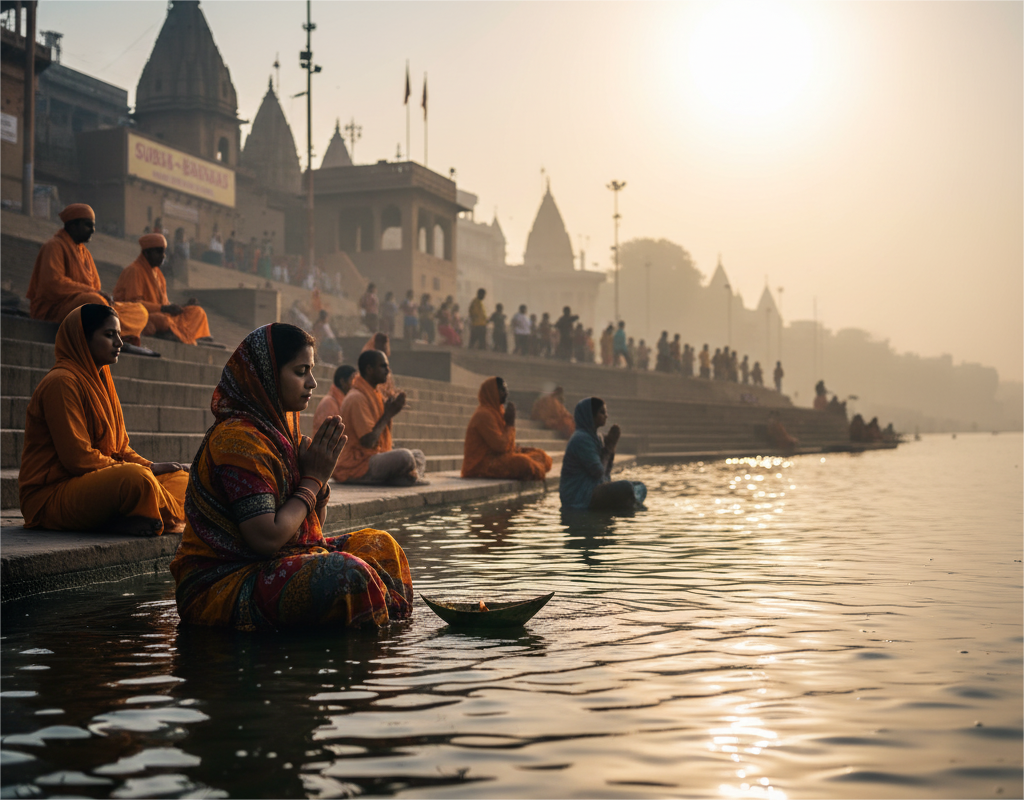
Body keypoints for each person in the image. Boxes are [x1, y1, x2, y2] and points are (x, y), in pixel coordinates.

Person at [169, 323, 413, 631]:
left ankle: (390, 635)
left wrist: (318, 484)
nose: (312, 382)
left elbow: (313, 528)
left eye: (311, 370)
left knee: (381, 545)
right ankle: (362, 650)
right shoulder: (237, 439)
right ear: (266, 377)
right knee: (348, 575)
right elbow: (266, 538)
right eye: (300, 372)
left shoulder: (280, 433)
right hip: (222, 583)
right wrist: (313, 480)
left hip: (273, 563)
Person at [18, 304, 187, 536]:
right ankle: (169, 515)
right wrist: (140, 470)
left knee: (183, 478)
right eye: (109, 335)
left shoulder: (101, 379)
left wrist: (151, 465)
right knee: (136, 479)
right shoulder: (61, 382)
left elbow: (119, 448)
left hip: (96, 484)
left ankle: (141, 515)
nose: (119, 343)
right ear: (82, 339)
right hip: (51, 496)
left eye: (119, 335)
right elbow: (78, 460)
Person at [27, 204, 149, 347]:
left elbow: (95, 286)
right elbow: (53, 284)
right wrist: (93, 293)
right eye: (88, 225)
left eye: (93, 226)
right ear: (73, 225)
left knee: (140, 311)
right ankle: (114, 335)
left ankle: (115, 333)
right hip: (56, 308)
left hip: (85, 303)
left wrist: (101, 296)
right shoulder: (54, 246)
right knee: (95, 302)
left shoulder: (85, 254)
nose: (93, 230)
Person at [333, 350, 426, 485]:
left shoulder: (374, 394)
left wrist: (389, 412)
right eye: (383, 366)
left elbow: (381, 440)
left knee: (418, 455)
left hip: (373, 457)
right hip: (357, 464)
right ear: (369, 369)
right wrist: (388, 414)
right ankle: (405, 478)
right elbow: (368, 442)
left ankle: (401, 478)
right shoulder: (356, 398)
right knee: (405, 457)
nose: (388, 371)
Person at [114, 234, 212, 345]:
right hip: (141, 316)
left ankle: (176, 333)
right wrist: (164, 309)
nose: (163, 256)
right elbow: (134, 304)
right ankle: (179, 334)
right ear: (146, 253)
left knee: (197, 312)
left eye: (164, 252)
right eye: (159, 252)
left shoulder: (159, 275)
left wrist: (183, 306)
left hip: (162, 314)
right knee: (162, 321)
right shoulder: (134, 270)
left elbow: (164, 303)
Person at [560, 397, 646, 512]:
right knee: (626, 487)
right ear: (590, 415)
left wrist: (611, 449)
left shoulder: (596, 437)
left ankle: (629, 502)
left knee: (640, 487)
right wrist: (609, 448)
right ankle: (630, 503)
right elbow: (598, 472)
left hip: (595, 487)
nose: (606, 416)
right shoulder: (581, 439)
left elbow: (606, 473)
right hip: (579, 496)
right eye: (602, 412)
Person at [461, 377, 552, 480]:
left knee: (541, 455)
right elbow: (500, 446)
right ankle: (534, 469)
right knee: (523, 463)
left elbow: (507, 445)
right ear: (492, 392)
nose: (506, 393)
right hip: (482, 465)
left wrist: (516, 449)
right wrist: (510, 424)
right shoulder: (483, 415)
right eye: (502, 390)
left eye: (506, 389)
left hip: (499, 457)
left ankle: (534, 468)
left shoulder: (498, 412)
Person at [313, 365, 356, 433]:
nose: (355, 384)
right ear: (342, 381)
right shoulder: (328, 403)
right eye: (352, 379)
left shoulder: (345, 400)